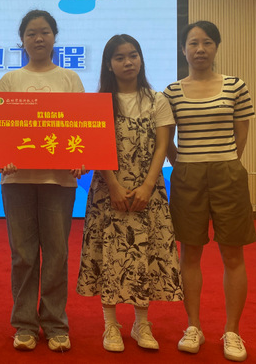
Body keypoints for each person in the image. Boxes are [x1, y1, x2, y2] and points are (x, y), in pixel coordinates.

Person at [77, 34, 183, 353]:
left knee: (145, 253)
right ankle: (110, 324)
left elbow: (163, 146)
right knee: (109, 253)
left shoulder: (157, 99)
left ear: (141, 59)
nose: (128, 62)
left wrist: (148, 185)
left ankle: (141, 323)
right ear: (109, 64)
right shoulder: (99, 102)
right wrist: (113, 185)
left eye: (133, 55)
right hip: (108, 190)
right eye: (120, 57)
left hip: (148, 190)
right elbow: (96, 146)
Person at [164, 21, 256, 362]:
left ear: (216, 47)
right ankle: (193, 326)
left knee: (233, 255)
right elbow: (166, 138)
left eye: (206, 43)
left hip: (227, 172)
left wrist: (225, 162)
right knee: (190, 254)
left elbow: (241, 132)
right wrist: (184, 164)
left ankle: (232, 331)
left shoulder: (235, 86)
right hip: (187, 174)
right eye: (193, 43)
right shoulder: (172, 92)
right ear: (183, 50)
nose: (199, 49)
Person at [0, 9, 86, 353]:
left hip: (59, 181)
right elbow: (0, 128)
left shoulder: (69, 79)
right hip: (16, 179)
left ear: (54, 37)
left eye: (45, 32)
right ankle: (24, 324)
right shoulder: (10, 81)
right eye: (31, 33)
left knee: (57, 253)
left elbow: (81, 127)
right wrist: (3, 153)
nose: (38, 38)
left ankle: (55, 323)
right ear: (22, 39)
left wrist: (80, 157)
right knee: (23, 254)